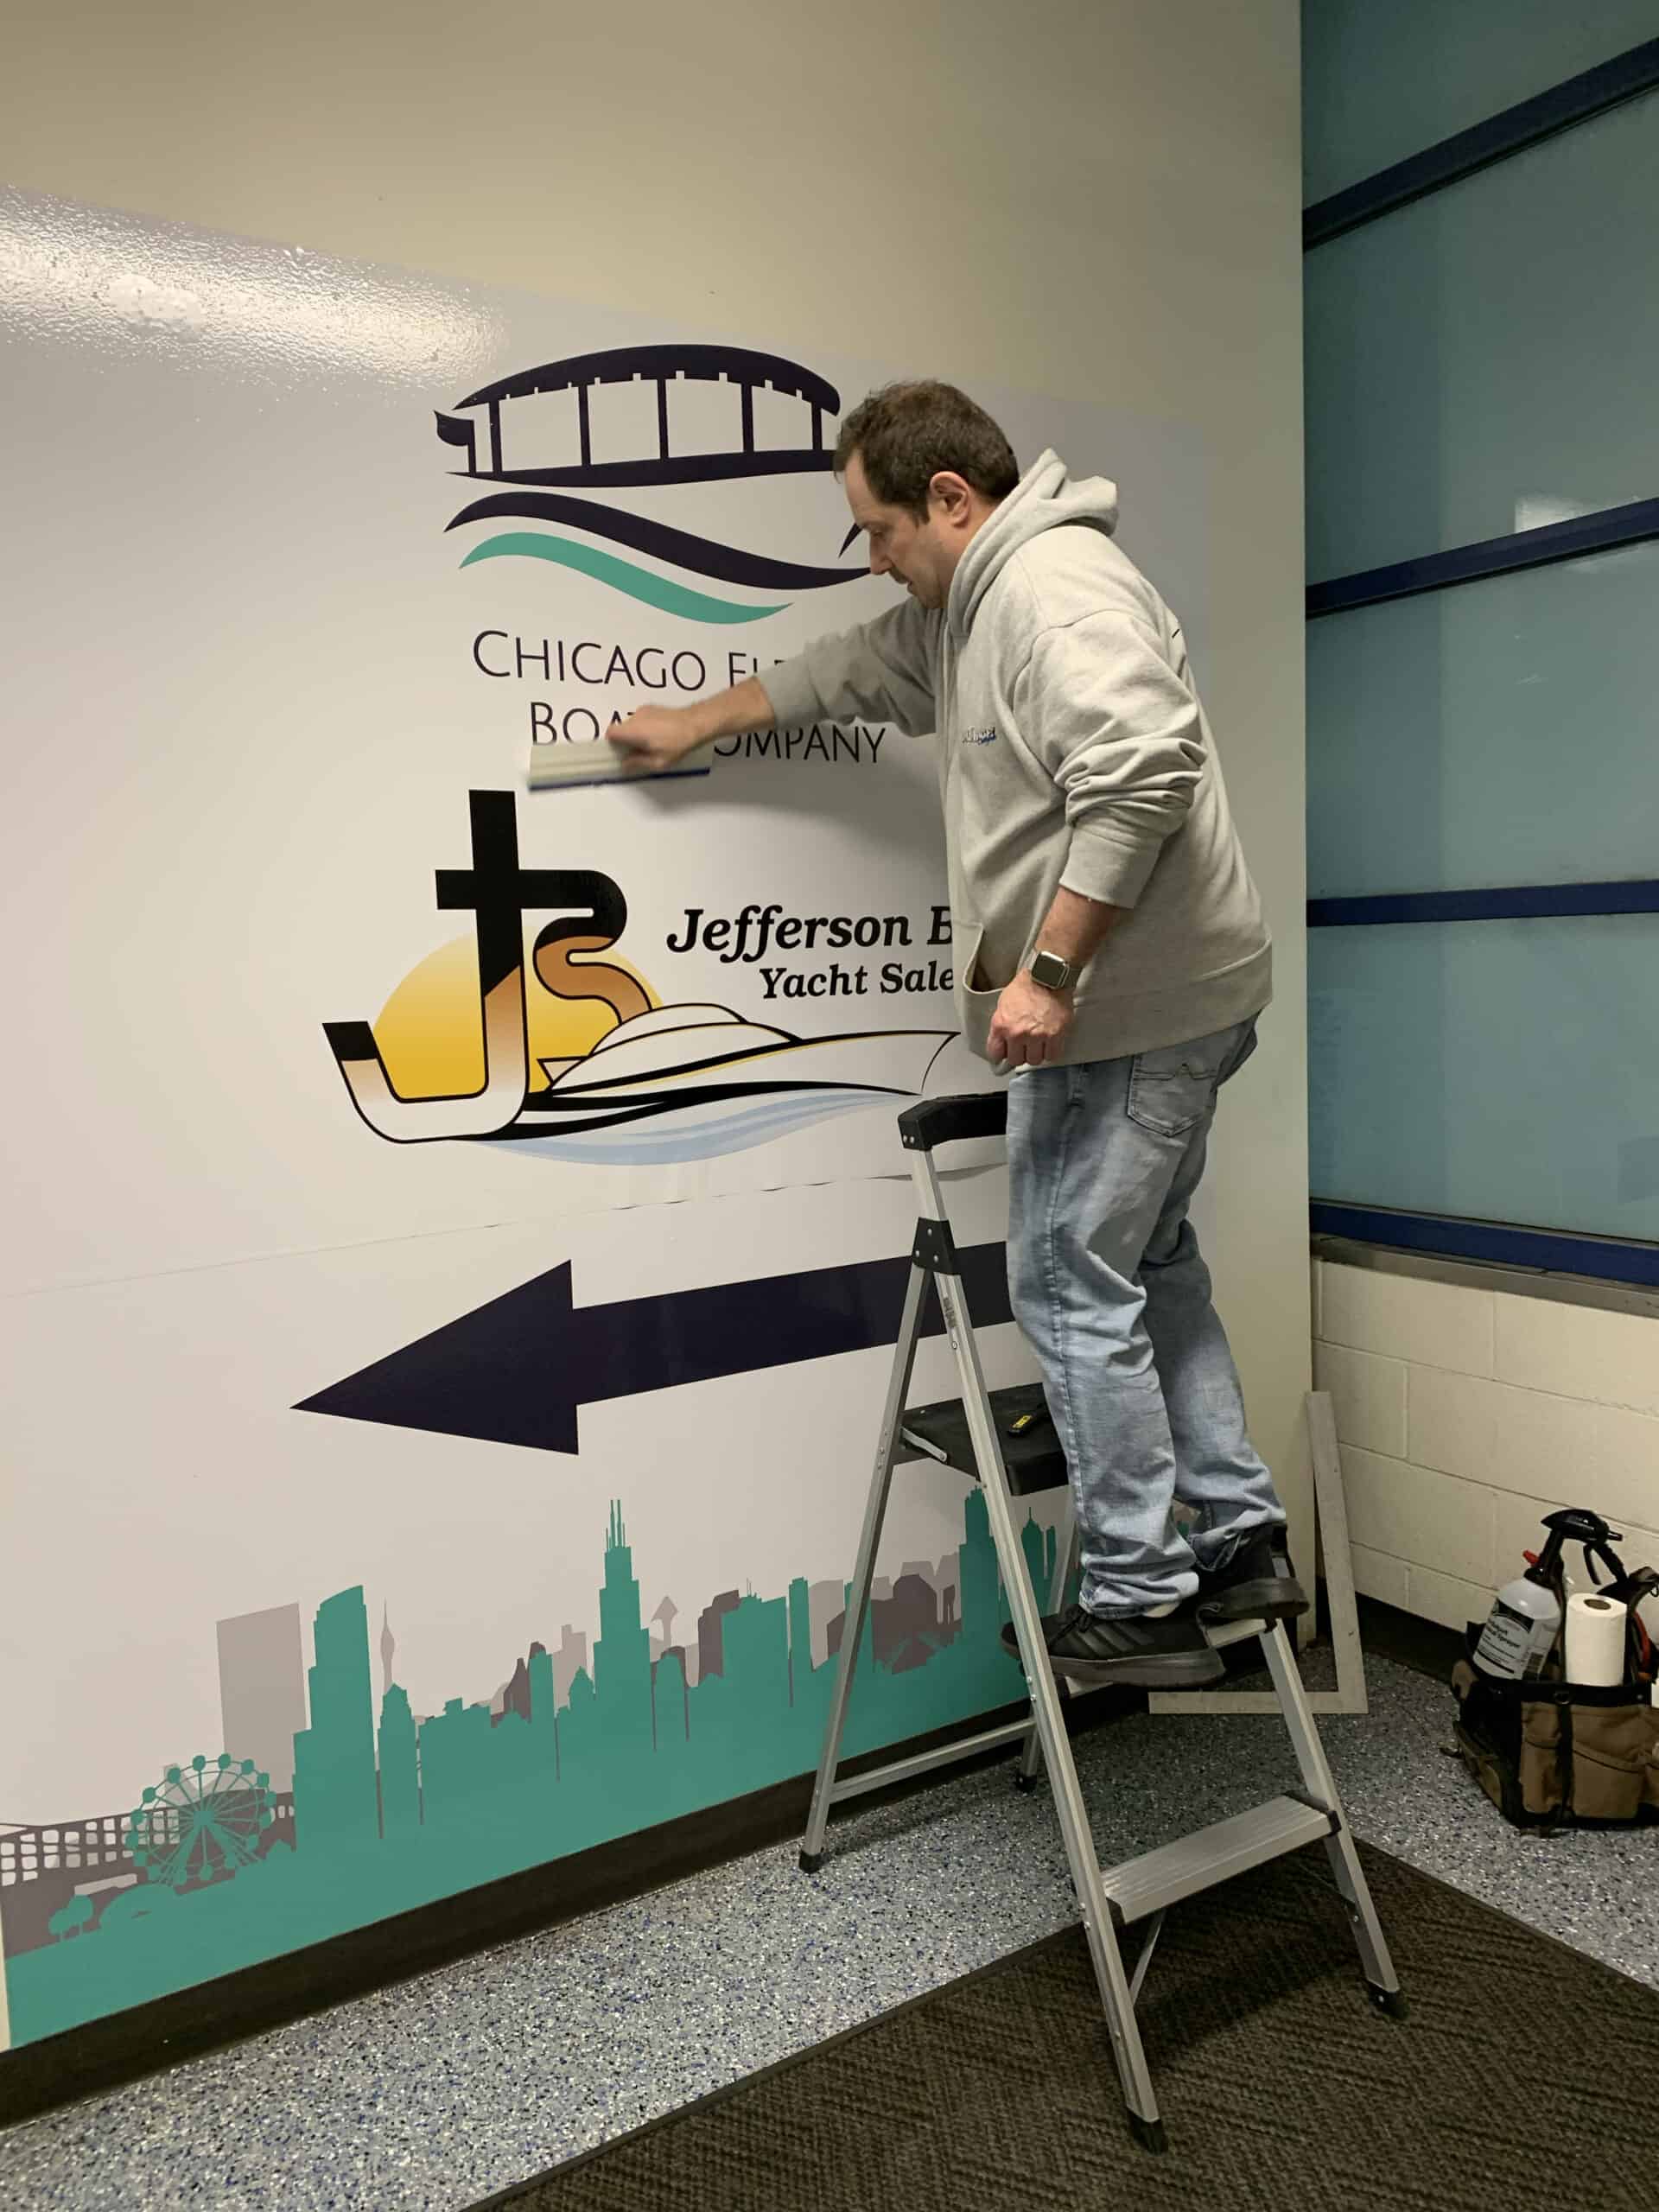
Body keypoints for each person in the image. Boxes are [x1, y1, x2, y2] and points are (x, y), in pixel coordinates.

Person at [608, 380, 1306, 1691]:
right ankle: (1241, 1532)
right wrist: (693, 723)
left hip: (1126, 1016)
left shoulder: (1052, 591)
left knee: (1063, 1280)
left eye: (877, 528)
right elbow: (849, 669)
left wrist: (1046, 974)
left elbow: (1144, 772)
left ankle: (1142, 1594)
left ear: (951, 498)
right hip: (1173, 1004)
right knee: (1151, 1262)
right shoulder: (964, 613)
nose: (874, 557)